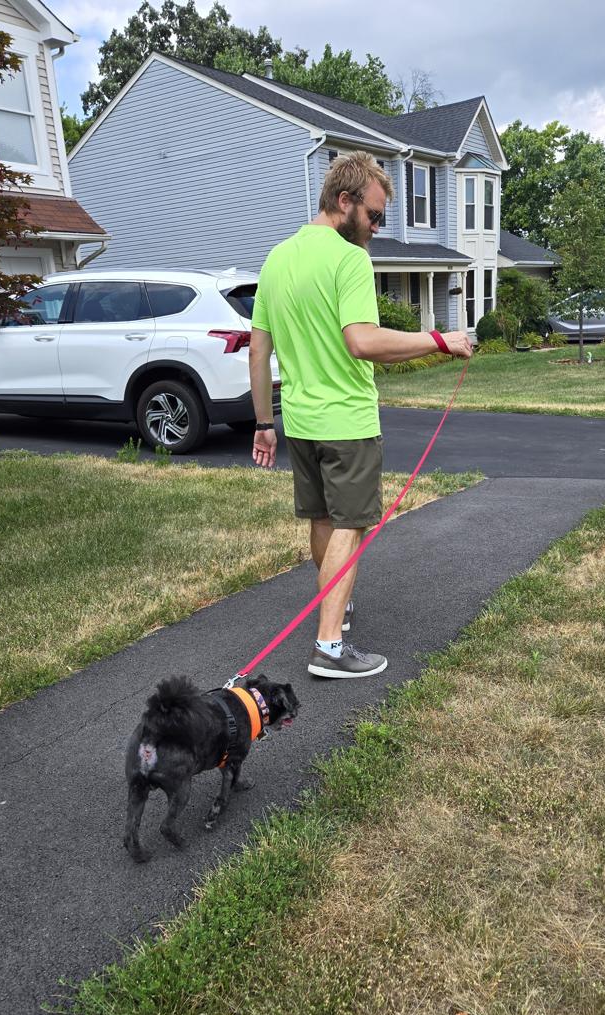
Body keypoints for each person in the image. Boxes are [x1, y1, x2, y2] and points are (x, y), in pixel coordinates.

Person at [249, 151, 473, 679]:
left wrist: (264, 423)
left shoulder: (277, 259)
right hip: (347, 423)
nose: (376, 229)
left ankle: (337, 606)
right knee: (350, 525)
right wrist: (439, 339)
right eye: (373, 216)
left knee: (324, 521)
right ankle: (330, 648)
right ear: (343, 201)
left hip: (300, 422)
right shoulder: (349, 260)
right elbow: (362, 341)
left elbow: (259, 351)